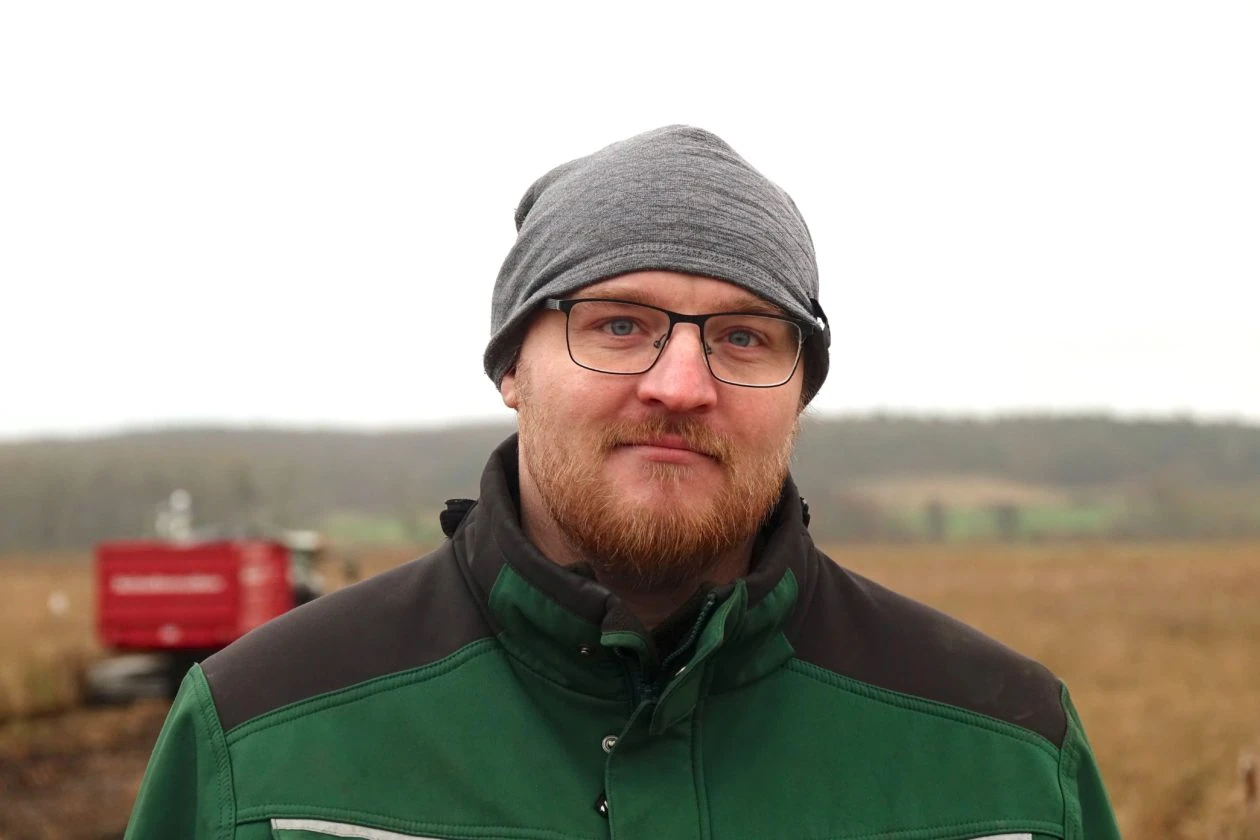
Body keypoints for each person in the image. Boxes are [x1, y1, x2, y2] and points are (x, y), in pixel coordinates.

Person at [125, 126, 1120, 839]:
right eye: (618, 323)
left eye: (743, 335)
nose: (680, 385)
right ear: (512, 366)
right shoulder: (264, 735)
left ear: (800, 391)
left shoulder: (1009, 754)